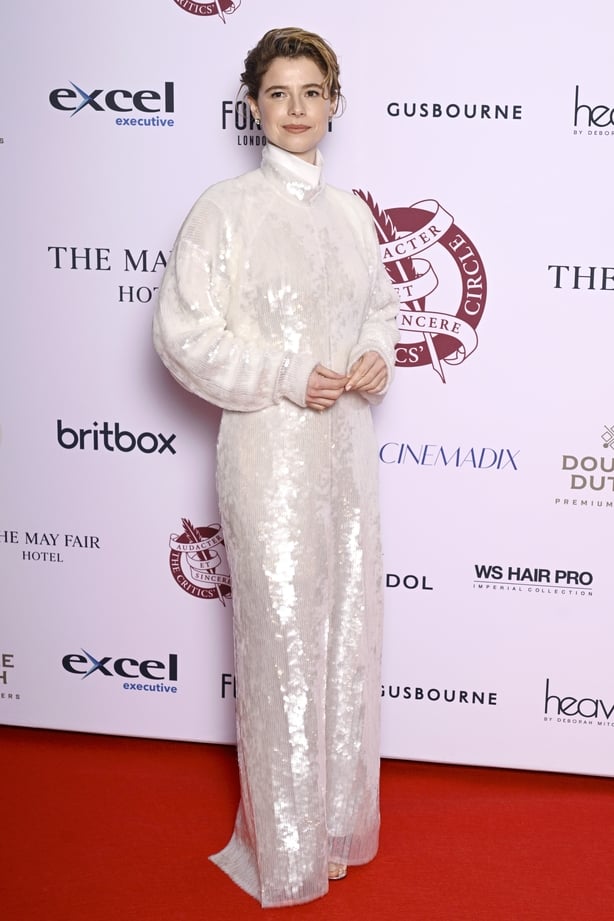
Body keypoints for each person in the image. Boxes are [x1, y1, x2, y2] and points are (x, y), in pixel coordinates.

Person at [153, 26, 399, 908]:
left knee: (344, 638)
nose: (297, 110)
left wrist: (376, 354)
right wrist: (288, 375)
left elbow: (379, 309)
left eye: (313, 93)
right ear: (254, 104)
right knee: (286, 644)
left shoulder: (354, 213)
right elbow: (185, 336)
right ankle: (286, 846)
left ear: (334, 103)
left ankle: (332, 827)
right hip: (270, 452)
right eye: (279, 94)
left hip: (348, 454)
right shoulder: (225, 209)